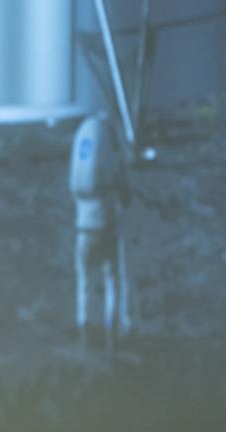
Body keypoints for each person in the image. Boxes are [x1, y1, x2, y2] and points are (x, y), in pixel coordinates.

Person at [68, 110, 132, 360]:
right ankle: (111, 335)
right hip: (106, 224)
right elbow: (121, 182)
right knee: (112, 278)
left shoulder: (82, 136)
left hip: (82, 226)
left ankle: (84, 330)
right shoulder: (107, 139)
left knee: (84, 280)